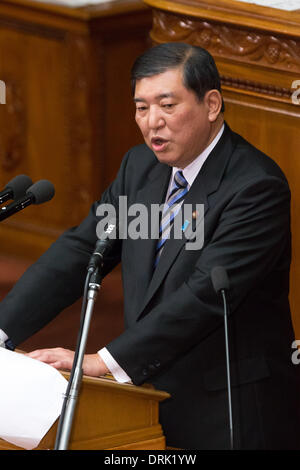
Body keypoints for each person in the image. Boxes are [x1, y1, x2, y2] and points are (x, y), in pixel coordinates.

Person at [0, 42, 299, 450]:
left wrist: (100, 362)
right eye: (141, 108)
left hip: (228, 409)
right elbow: (80, 252)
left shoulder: (254, 188)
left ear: (211, 104)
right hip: (143, 393)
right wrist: (2, 329)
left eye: (167, 105)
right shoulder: (139, 168)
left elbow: (203, 296)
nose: (152, 123)